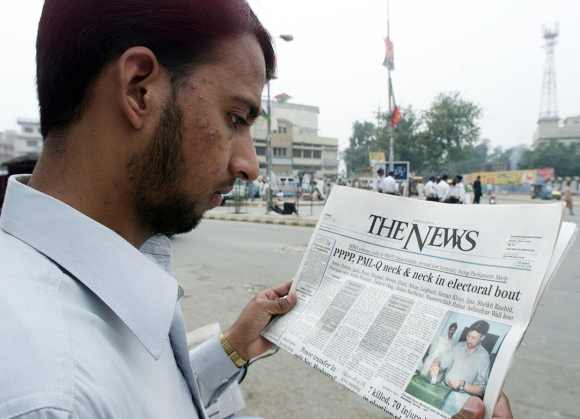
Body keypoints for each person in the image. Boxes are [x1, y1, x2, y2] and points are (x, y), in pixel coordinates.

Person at [0, 1, 297, 418]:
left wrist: (231, 348)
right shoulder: (53, 398)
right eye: (234, 118)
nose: (248, 165)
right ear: (139, 89)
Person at [437, 321, 492, 416]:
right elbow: (443, 363)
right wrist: (437, 363)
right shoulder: (458, 346)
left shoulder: (484, 357)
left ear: (482, 338)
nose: (469, 340)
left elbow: (481, 389)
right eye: (468, 336)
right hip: (442, 388)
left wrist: (462, 384)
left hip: (459, 399)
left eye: (474, 338)